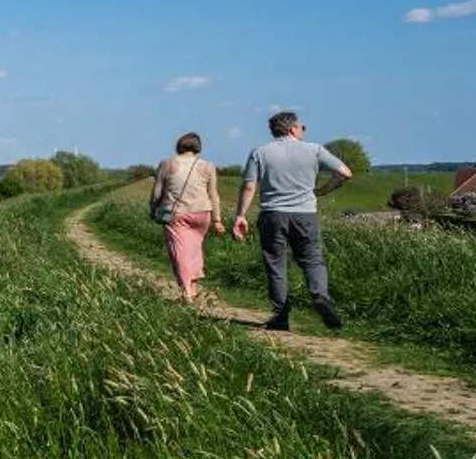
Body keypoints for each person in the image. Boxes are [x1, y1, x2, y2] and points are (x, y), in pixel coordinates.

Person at [232, 109, 350, 330]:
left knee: (276, 264)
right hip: (305, 213)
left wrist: (240, 215)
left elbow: (249, 186)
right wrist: (323, 190)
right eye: (302, 127)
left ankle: (281, 315)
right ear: (293, 128)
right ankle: (320, 295)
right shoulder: (314, 150)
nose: (303, 130)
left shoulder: (260, 152)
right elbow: (345, 172)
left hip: (272, 213)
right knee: (312, 259)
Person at [148, 131, 220, 303]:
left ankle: (186, 291)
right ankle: (194, 288)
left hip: (177, 214)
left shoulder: (167, 163)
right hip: (202, 213)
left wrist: (153, 208)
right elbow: (213, 194)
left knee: (179, 253)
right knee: (194, 249)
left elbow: (157, 192)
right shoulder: (208, 166)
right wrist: (217, 219)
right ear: (198, 147)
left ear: (179, 146)